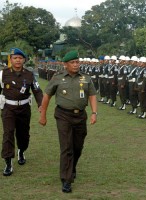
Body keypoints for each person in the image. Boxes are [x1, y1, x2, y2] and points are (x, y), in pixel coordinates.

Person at [39, 50, 97, 193]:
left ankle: (72, 167)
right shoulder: (57, 78)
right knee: (66, 147)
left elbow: (92, 96)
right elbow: (47, 96)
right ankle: (66, 179)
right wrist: (43, 115)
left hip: (80, 116)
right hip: (63, 115)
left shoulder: (86, 78)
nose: (76, 64)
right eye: (72, 62)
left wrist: (94, 113)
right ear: (66, 64)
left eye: (77, 62)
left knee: (78, 146)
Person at [0, 48, 43, 176]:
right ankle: (8, 162)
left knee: (23, 134)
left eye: (20, 58)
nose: (18, 60)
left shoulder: (29, 74)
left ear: (24, 60)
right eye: (15, 58)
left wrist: (41, 104)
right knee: (8, 134)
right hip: (8, 108)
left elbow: (37, 91)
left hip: (24, 109)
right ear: (11, 60)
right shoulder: (3, 74)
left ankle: (21, 151)